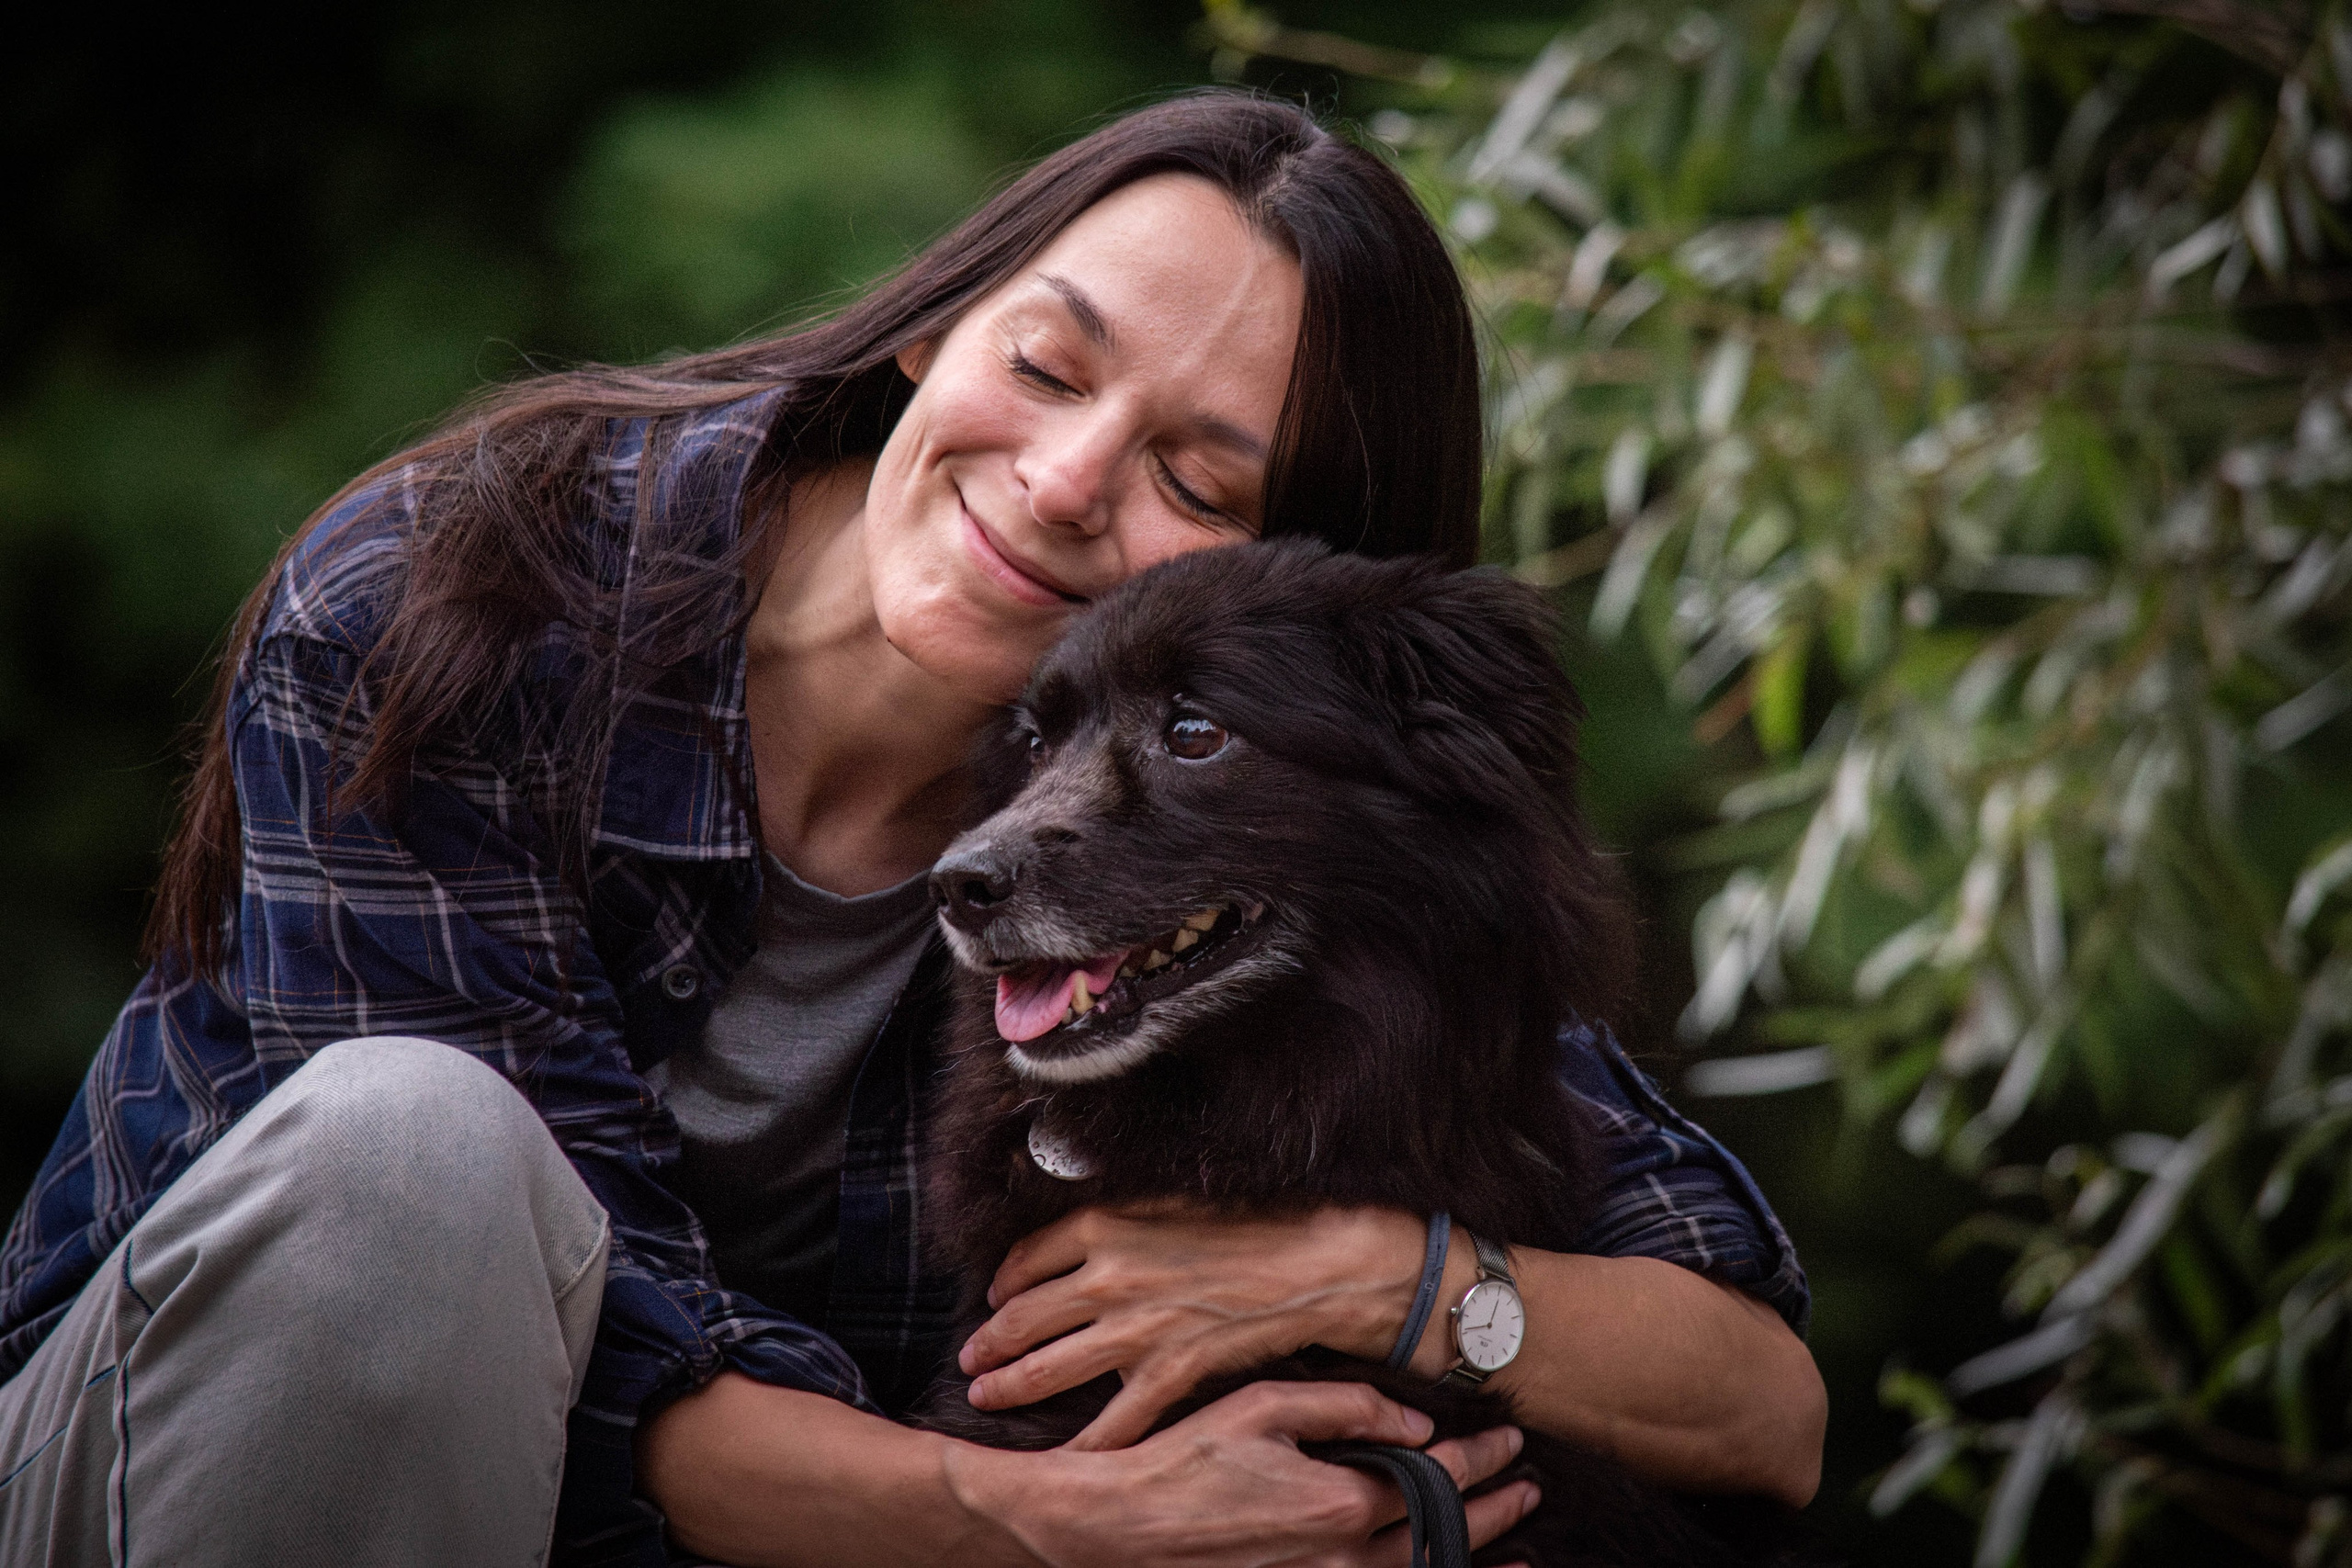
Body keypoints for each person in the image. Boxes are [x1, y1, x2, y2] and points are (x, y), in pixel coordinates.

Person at [0, 93, 1824, 1567]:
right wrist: (1058, 1520)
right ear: (943, 315)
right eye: (1043, 363)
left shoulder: (1244, 845)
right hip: (135, 1477)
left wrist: (1390, 1278)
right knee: (417, 1154)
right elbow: (607, 1382)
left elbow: (1756, 1393)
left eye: (1197, 479)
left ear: (1290, 584)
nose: (1059, 478)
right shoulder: (454, 602)